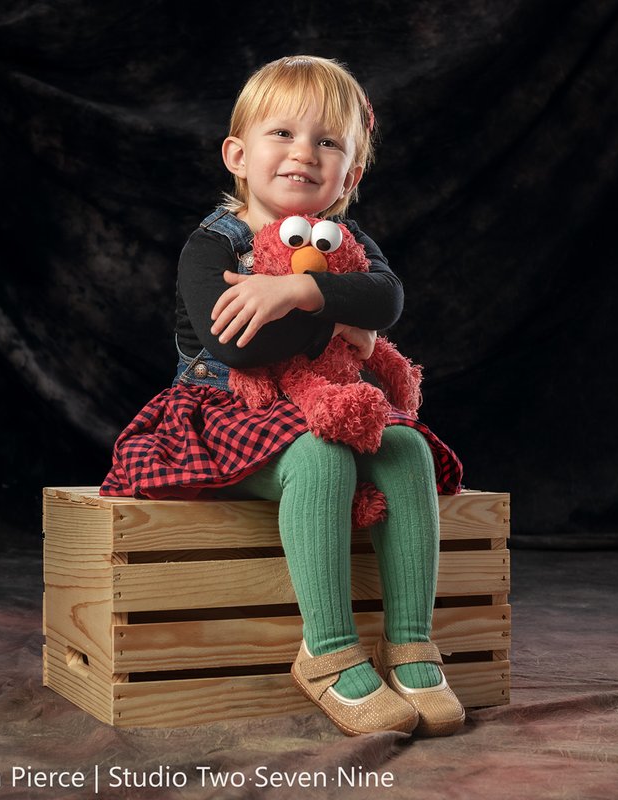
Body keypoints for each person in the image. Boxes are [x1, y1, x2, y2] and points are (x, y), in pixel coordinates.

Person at [101, 55, 465, 737]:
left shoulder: (345, 240)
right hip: (234, 411)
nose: (304, 154)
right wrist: (335, 316)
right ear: (238, 154)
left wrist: (301, 289)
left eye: (327, 143)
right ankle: (326, 651)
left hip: (324, 404)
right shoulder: (213, 246)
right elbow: (242, 347)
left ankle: (411, 642)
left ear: (349, 175)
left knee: (408, 447)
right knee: (323, 459)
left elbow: (386, 298)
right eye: (283, 134)